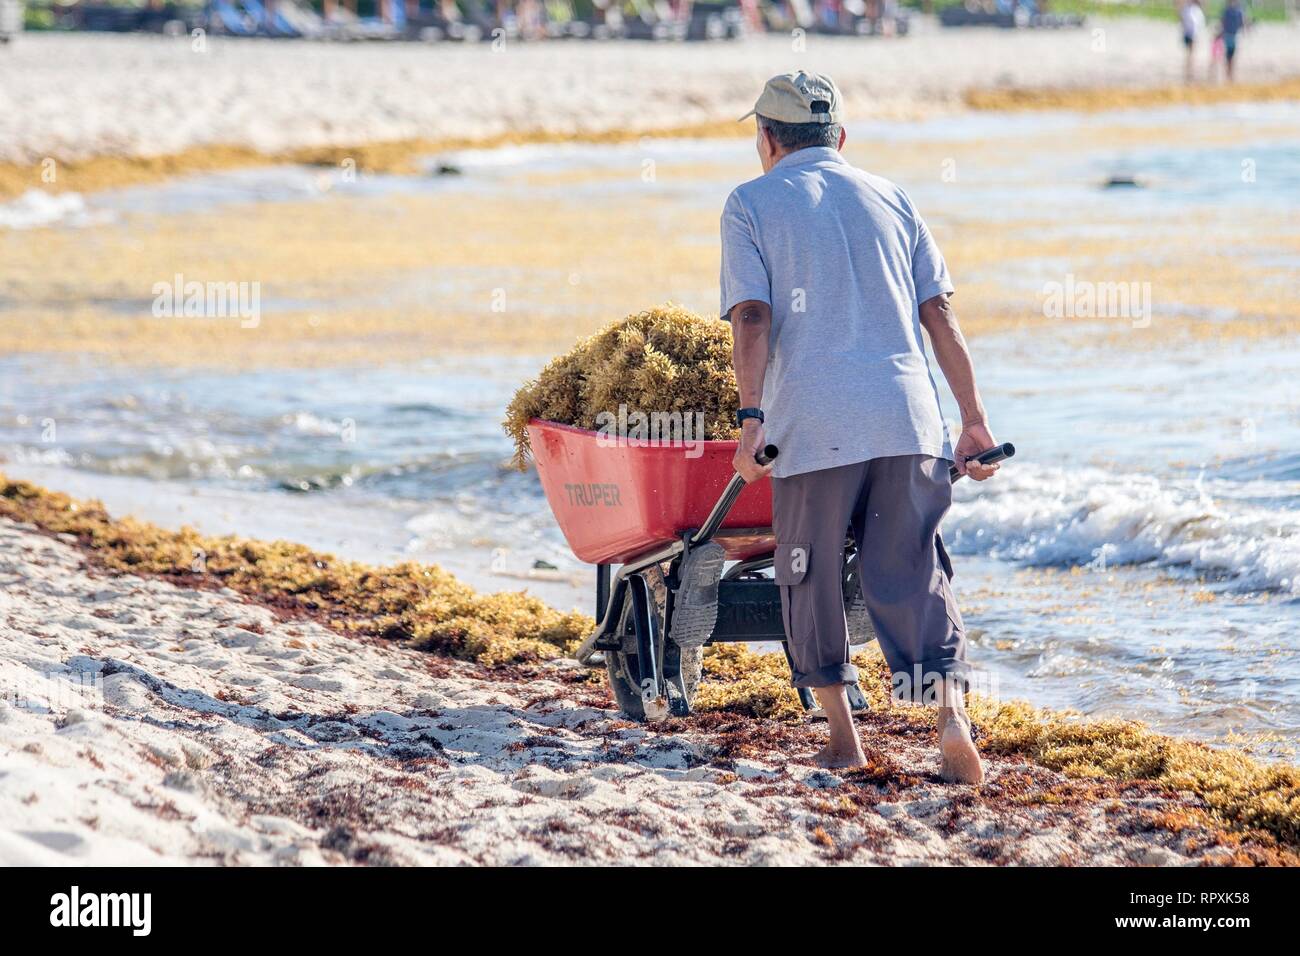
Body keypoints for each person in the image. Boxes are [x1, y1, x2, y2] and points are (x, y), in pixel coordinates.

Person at [719, 72, 999, 783]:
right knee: (912, 571)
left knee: (806, 572)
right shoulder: (894, 196)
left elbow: (753, 316)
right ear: (839, 137)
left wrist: (751, 419)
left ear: (767, 140)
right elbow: (942, 317)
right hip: (909, 416)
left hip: (814, 424)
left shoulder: (751, 202)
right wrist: (972, 420)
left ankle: (846, 739)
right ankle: (949, 719)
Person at [1219, 0, 1247, 82]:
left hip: (1234, 36)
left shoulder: (1237, 11)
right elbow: (1223, 22)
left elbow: (1241, 23)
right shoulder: (1228, 11)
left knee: (1231, 56)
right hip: (1228, 35)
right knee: (1229, 56)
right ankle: (1228, 74)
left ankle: (1230, 75)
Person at [1180, 0, 1206, 83]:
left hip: (1188, 33)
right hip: (1191, 34)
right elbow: (1196, 23)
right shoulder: (1194, 9)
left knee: (1190, 54)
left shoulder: (1188, 8)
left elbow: (1183, 20)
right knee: (1191, 55)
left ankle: (1189, 72)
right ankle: (1190, 73)